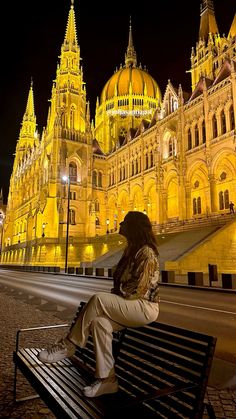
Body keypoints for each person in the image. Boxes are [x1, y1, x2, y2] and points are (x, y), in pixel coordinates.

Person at [38, 211, 160, 398]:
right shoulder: (131, 250)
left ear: (134, 227)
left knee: (98, 299)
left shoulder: (147, 253)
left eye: (125, 222)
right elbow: (122, 285)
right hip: (132, 305)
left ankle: (68, 346)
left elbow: (139, 289)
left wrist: (115, 299)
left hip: (144, 307)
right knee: (99, 323)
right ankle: (108, 380)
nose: (120, 224)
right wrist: (117, 298)